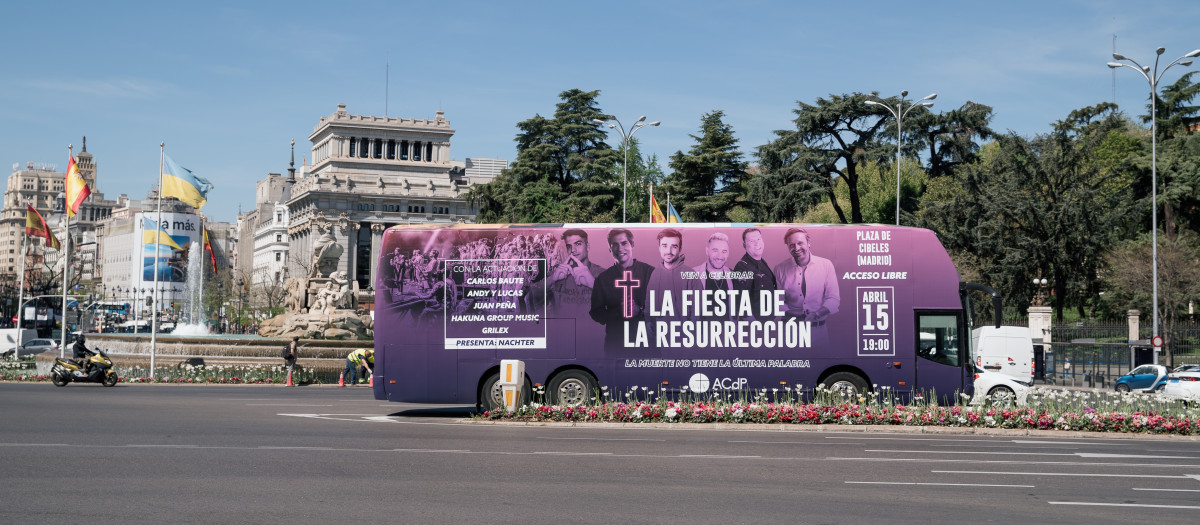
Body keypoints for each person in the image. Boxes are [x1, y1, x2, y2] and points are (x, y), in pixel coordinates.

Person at [772, 228, 840, 348]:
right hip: (790, 333)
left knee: (822, 366)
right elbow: (778, 301)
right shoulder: (779, 269)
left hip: (819, 332)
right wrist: (791, 312)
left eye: (800, 243)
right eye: (791, 245)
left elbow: (834, 299)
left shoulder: (826, 265)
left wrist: (817, 314)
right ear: (787, 247)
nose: (796, 248)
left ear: (808, 243)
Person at [589, 228, 655, 351]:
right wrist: (619, 311)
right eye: (615, 245)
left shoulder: (650, 273)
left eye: (624, 243)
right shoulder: (603, 279)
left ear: (632, 245)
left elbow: (663, 305)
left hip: (645, 343)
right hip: (616, 343)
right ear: (610, 249)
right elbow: (596, 313)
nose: (620, 249)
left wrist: (640, 310)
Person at [548, 229, 603, 316]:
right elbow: (533, 295)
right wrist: (552, 279)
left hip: (593, 328)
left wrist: (594, 284)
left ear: (588, 247)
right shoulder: (560, 275)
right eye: (569, 246)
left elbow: (617, 304)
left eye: (578, 244)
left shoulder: (602, 274)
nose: (573, 250)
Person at [732, 228, 777, 320]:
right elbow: (742, 302)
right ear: (744, 245)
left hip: (767, 322)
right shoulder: (742, 268)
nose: (757, 244)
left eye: (759, 239)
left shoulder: (761, 262)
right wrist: (754, 328)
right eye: (751, 241)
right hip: (755, 325)